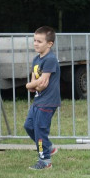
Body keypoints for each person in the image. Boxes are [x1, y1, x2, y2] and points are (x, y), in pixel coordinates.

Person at [24, 26, 61, 170]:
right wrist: (33, 85)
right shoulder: (36, 59)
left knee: (40, 131)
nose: (35, 44)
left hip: (48, 102)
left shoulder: (50, 59)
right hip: (38, 100)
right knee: (28, 126)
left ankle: (45, 161)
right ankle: (48, 147)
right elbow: (35, 82)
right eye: (34, 40)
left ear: (49, 44)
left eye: (39, 41)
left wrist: (29, 85)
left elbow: (42, 82)